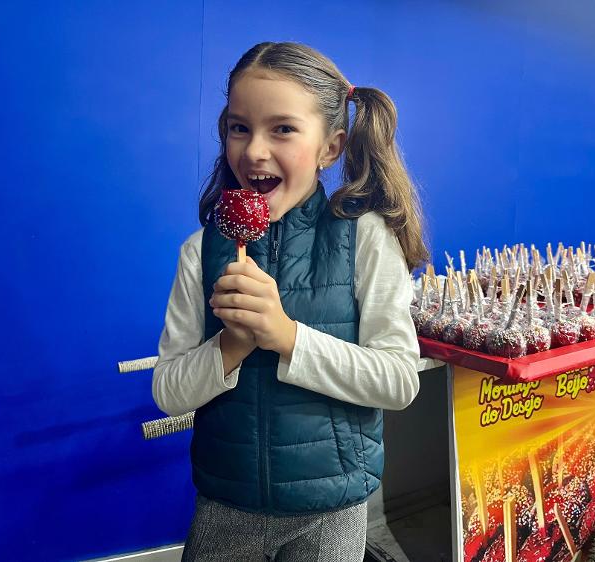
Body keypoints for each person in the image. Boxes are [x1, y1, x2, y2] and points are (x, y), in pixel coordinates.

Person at [152, 41, 429, 562]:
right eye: (239, 127)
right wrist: (230, 345)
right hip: (225, 503)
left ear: (330, 147)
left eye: (282, 129)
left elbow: (398, 380)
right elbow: (168, 392)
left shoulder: (365, 239)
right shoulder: (201, 252)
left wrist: (286, 337)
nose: (254, 150)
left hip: (331, 508)